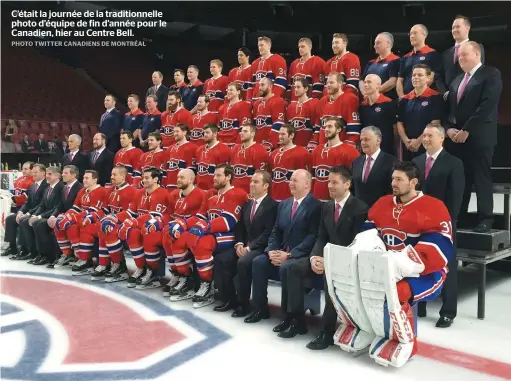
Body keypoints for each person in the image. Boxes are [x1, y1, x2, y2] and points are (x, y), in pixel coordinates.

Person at [337, 161, 453, 367]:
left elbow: (436, 252)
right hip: (385, 267)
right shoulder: (382, 203)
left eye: (399, 179)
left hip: (425, 273)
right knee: (356, 286)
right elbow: (367, 236)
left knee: (396, 293)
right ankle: (368, 329)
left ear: (414, 182)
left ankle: (406, 341)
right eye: (393, 179)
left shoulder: (434, 207)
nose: (393, 183)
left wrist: (394, 267)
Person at [283, 166, 367, 348]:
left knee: (330, 277)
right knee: (293, 267)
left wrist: (329, 260)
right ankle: (297, 321)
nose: (330, 186)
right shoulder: (327, 207)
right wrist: (314, 257)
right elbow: (321, 237)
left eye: (335, 182)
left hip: (347, 261)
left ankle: (326, 332)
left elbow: (357, 243)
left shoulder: (360, 208)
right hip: (325, 256)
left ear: (347, 184)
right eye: (328, 181)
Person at [246, 169, 321, 328]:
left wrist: (290, 254)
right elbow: (275, 231)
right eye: (290, 180)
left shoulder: (315, 206)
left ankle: (291, 317)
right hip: (280, 252)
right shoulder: (285, 204)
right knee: (259, 262)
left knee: (287, 267)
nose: (291, 183)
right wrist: (272, 250)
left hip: (300, 255)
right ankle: (261, 308)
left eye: (295, 180)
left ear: (307, 184)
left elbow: (312, 237)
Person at [166, 165, 248, 308]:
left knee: (202, 243)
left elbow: (228, 222)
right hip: (210, 232)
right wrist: (183, 224)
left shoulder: (237, 193)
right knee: (179, 238)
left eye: (218, 175)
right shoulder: (210, 194)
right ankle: (187, 279)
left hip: (230, 235)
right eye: (214, 175)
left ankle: (207, 285)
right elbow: (199, 217)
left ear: (228, 177)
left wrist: (205, 226)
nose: (214, 178)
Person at [444, 41, 502, 232]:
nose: (461, 59)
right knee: (461, 180)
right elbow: (450, 109)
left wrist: (467, 130)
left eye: (465, 55)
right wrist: (449, 129)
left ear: (477, 54)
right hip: (457, 139)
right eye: (459, 56)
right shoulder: (457, 80)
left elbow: (486, 105)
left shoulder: (491, 74)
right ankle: (459, 217)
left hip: (479, 137)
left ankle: (485, 218)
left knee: (481, 177)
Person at [412, 123, 465, 328]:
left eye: (429, 136)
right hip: (418, 224)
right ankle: (421, 304)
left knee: (447, 266)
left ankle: (448, 311)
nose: (425, 139)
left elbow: (455, 198)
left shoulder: (453, 163)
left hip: (443, 225)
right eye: (423, 136)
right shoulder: (416, 162)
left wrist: (447, 224)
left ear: (441, 138)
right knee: (419, 263)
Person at [213, 170, 278, 315]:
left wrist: (249, 248)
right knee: (221, 259)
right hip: (245, 246)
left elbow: (268, 233)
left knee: (243, 262)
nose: (252, 184)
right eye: (251, 181)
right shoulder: (247, 204)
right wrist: (239, 244)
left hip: (261, 247)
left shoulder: (272, 206)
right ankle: (230, 299)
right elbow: (240, 228)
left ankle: (245, 305)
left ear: (265, 186)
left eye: (256, 182)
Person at [102, 168, 170, 287]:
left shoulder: (163, 193)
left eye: (147, 177)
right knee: (113, 229)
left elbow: (154, 217)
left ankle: (152, 271)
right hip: (139, 225)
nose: (144, 180)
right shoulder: (139, 193)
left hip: (156, 227)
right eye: (143, 177)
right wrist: (114, 218)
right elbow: (130, 212)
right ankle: (135, 267)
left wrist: (131, 222)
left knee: (137, 233)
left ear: (156, 179)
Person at [81, 167, 137, 280]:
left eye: (115, 175)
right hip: (110, 221)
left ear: (123, 176)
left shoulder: (131, 191)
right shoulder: (110, 190)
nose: (111, 177)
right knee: (99, 226)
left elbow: (131, 213)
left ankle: (119, 265)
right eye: (111, 174)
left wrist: (113, 219)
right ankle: (104, 264)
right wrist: (92, 216)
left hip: (126, 223)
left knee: (108, 229)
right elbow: (105, 209)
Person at [161, 169, 207, 296]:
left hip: (192, 230)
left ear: (191, 179)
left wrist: (182, 225)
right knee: (166, 232)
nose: (178, 180)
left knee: (177, 238)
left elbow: (201, 217)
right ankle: (177, 274)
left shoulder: (201, 194)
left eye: (182, 177)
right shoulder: (174, 194)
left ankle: (187, 276)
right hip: (175, 228)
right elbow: (168, 215)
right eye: (177, 177)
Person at [53, 170, 108, 275]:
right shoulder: (82, 191)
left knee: (72, 226)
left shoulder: (101, 191)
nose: (84, 180)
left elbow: (94, 211)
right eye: (83, 178)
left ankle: (83, 258)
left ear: (95, 179)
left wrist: (72, 218)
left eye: (87, 178)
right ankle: (67, 255)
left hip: (94, 218)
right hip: (82, 216)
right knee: (59, 223)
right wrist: (66, 215)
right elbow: (75, 208)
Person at [397, 64, 444, 161]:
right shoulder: (404, 99)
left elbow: (435, 123)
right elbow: (399, 122)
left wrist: (418, 141)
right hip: (408, 145)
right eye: (414, 75)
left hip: (428, 144)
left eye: (420, 75)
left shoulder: (435, 97)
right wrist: (406, 141)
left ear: (428, 78)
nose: (416, 78)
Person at [311, 117, 360, 202]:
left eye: (330, 127)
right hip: (316, 202)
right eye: (325, 127)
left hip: (336, 203)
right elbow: (313, 177)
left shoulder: (350, 151)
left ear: (338, 129)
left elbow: (355, 180)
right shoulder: (317, 150)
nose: (326, 129)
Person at [5, 164, 48, 259]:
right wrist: (21, 212)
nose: (33, 174)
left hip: (39, 212)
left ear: (43, 173)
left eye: (36, 172)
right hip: (30, 211)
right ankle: (12, 247)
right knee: (10, 219)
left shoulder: (47, 186)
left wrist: (28, 214)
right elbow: (27, 202)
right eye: (33, 172)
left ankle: (28, 250)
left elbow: (41, 205)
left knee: (23, 221)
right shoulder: (33, 186)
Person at [24, 166, 64, 265]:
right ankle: (40, 254)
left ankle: (48, 255)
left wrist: (39, 217)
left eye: (50, 174)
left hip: (56, 215)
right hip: (47, 214)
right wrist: (35, 215)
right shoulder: (48, 188)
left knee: (39, 223)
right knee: (34, 222)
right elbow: (42, 205)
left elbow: (57, 207)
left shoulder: (61, 187)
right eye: (47, 174)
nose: (47, 176)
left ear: (58, 175)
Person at [352, 126, 396, 208]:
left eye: (366, 139)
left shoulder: (392, 162)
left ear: (378, 140)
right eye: (361, 140)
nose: (363, 143)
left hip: (381, 211)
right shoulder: (356, 162)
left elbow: (393, 191)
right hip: (358, 213)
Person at [50, 165, 83, 268]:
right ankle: (66, 254)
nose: (62, 175)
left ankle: (79, 256)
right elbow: (60, 205)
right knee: (56, 222)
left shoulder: (80, 188)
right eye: (62, 172)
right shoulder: (64, 187)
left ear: (73, 175)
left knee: (64, 223)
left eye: (65, 173)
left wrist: (65, 216)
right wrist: (53, 216)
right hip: (66, 214)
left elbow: (79, 207)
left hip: (77, 216)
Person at [397, 24, 443, 97]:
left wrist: (412, 95)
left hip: (424, 98)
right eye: (410, 34)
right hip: (405, 100)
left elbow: (430, 78)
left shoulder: (432, 54)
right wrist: (402, 97)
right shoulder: (405, 57)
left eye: (415, 33)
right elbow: (399, 80)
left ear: (424, 35)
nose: (411, 36)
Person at [316, 72, 360, 146]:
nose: (328, 85)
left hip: (340, 148)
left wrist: (349, 145)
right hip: (324, 148)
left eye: (331, 82)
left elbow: (354, 129)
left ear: (340, 84)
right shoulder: (322, 101)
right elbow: (318, 126)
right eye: (327, 83)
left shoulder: (349, 99)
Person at [269, 125, 312, 202]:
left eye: (283, 134)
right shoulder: (274, 153)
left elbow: (307, 178)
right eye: (279, 134)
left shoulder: (302, 153)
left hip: (292, 200)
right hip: (274, 198)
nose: (280, 136)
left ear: (292, 135)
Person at [443, 15, 485, 90]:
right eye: (453, 28)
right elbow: (440, 75)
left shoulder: (477, 47)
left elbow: (477, 72)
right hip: (448, 96)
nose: (454, 30)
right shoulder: (446, 53)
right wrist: (444, 92)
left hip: (468, 93)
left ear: (467, 28)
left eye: (458, 27)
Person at [359, 74, 397, 154]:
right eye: (365, 82)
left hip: (385, 149)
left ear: (378, 85)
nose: (365, 85)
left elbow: (395, 128)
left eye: (369, 82)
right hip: (367, 149)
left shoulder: (388, 103)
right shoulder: (362, 106)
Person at [230, 122, 269, 194]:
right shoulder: (235, 149)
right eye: (241, 131)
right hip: (234, 191)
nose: (242, 133)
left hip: (250, 193)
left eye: (245, 131)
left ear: (253, 134)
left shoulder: (259, 150)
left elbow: (261, 177)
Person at [360, 32, 400, 99]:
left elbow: (393, 81)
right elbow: (361, 80)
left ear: (388, 43)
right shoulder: (371, 63)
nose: (375, 46)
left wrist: (373, 93)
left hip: (387, 103)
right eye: (375, 43)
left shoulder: (396, 60)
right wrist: (364, 93)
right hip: (368, 102)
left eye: (378, 43)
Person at [252, 77, 286, 152]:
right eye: (259, 85)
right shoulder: (256, 103)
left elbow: (278, 123)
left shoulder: (278, 101)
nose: (260, 88)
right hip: (258, 145)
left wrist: (270, 143)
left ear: (270, 87)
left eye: (262, 85)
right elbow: (254, 125)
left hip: (271, 146)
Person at [285, 78, 320, 151]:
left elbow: (317, 126)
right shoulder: (290, 107)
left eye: (298, 87)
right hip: (293, 147)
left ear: (306, 88)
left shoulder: (314, 103)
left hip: (308, 147)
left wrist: (314, 141)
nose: (296, 89)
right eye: (294, 87)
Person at [249, 36, 287, 101]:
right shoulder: (255, 63)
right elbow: (252, 84)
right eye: (258, 46)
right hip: (256, 101)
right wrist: (250, 99)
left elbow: (281, 83)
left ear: (269, 46)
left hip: (271, 100)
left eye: (262, 45)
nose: (260, 48)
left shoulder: (278, 60)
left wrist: (271, 98)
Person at [195, 124, 231, 191]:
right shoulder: (199, 149)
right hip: (199, 189)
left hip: (214, 189)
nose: (205, 135)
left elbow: (224, 173)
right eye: (204, 133)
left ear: (215, 134)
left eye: (207, 132)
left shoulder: (224, 149)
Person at [162, 124, 197, 191]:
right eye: (174, 132)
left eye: (177, 131)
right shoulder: (169, 149)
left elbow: (192, 170)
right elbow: (165, 169)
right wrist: (164, 184)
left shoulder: (192, 148)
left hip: (184, 187)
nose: (175, 134)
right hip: (169, 186)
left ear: (184, 132)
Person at [218, 83, 252, 147]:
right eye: (227, 90)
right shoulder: (222, 108)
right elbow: (220, 128)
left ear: (238, 92)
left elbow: (244, 128)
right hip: (222, 144)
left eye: (231, 90)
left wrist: (238, 145)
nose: (228, 92)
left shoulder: (244, 105)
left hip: (234, 144)